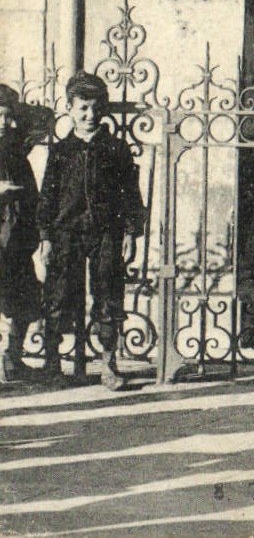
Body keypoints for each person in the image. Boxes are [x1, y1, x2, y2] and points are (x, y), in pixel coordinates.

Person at [38, 73, 145, 391]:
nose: (89, 115)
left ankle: (109, 365)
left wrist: (130, 231)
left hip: (106, 234)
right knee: (57, 296)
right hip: (65, 233)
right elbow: (47, 197)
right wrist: (45, 236)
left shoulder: (116, 148)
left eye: (95, 108)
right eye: (82, 108)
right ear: (70, 109)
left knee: (109, 296)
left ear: (104, 109)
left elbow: (130, 194)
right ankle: (53, 366)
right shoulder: (61, 151)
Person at [0, 85, 40, 383]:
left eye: (8, 116)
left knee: (26, 295)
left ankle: (12, 358)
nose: (5, 122)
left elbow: (44, 118)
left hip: (16, 236)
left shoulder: (14, 147)